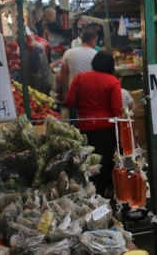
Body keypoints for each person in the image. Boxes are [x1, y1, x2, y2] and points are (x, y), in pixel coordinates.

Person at [64, 51, 123, 197]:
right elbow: (117, 111)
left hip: (85, 128)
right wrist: (122, 134)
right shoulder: (113, 81)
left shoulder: (80, 78)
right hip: (106, 130)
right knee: (104, 163)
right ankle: (102, 195)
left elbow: (70, 102)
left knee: (87, 163)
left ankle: (88, 194)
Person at [56, 28, 98, 101]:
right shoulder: (97, 55)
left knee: (74, 111)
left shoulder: (69, 52)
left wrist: (60, 91)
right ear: (93, 40)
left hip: (74, 92)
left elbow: (63, 75)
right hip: (91, 93)